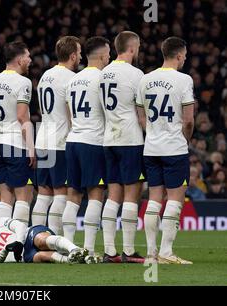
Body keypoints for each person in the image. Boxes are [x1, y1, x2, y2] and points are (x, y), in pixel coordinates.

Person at [137, 37, 195, 264]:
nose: (185, 60)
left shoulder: (145, 79)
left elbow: (141, 116)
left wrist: (151, 132)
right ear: (179, 55)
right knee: (174, 200)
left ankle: (151, 253)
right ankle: (167, 252)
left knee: (153, 199)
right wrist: (184, 139)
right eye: (185, 56)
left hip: (151, 148)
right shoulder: (184, 79)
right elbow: (188, 121)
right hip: (174, 148)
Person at [99, 31, 145, 263]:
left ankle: (110, 251)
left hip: (109, 139)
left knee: (112, 195)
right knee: (131, 194)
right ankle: (128, 251)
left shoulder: (103, 73)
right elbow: (141, 112)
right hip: (130, 139)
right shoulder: (136, 74)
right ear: (132, 48)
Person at [63, 37, 110, 254]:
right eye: (108, 54)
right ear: (101, 55)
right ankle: (89, 250)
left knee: (73, 195)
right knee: (96, 193)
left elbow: (69, 114)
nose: (109, 57)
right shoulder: (103, 79)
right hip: (92, 141)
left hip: (73, 140)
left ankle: (68, 247)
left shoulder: (73, 79)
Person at [31, 36, 80, 236]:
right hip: (60, 141)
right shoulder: (70, 79)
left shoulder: (45, 76)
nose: (81, 57)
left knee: (43, 194)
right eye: (79, 53)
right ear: (73, 55)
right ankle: (56, 241)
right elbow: (70, 114)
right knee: (61, 194)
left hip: (43, 138)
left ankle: (35, 237)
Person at [0, 41, 35, 226]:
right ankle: (18, 241)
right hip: (17, 144)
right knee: (24, 195)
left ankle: (0, 239)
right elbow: (23, 117)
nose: (30, 60)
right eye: (28, 56)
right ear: (20, 59)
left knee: (5, 197)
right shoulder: (23, 82)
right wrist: (31, 148)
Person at [0, 210, 101, 264]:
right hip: (25, 256)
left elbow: (20, 226)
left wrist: (18, 242)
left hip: (29, 236)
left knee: (41, 240)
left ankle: (75, 249)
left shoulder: (1, 222)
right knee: (41, 256)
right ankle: (79, 259)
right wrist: (6, 250)